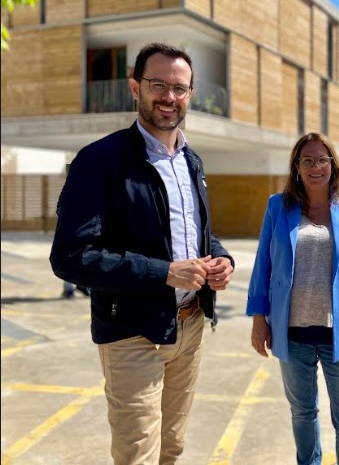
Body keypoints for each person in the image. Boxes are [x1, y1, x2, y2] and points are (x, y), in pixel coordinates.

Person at [50, 42, 234, 465]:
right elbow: (71, 257)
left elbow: (199, 236)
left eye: (180, 88)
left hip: (189, 328)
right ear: (135, 87)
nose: (169, 97)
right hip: (132, 335)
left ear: (190, 94)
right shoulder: (99, 161)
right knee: (139, 455)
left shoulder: (192, 161)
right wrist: (165, 273)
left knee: (171, 447)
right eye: (158, 85)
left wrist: (221, 260)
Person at [247, 132, 339, 465]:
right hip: (292, 333)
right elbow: (263, 262)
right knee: (303, 413)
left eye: (322, 159)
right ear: (296, 167)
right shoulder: (278, 206)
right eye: (307, 160)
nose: (315, 166)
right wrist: (258, 319)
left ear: (333, 165)